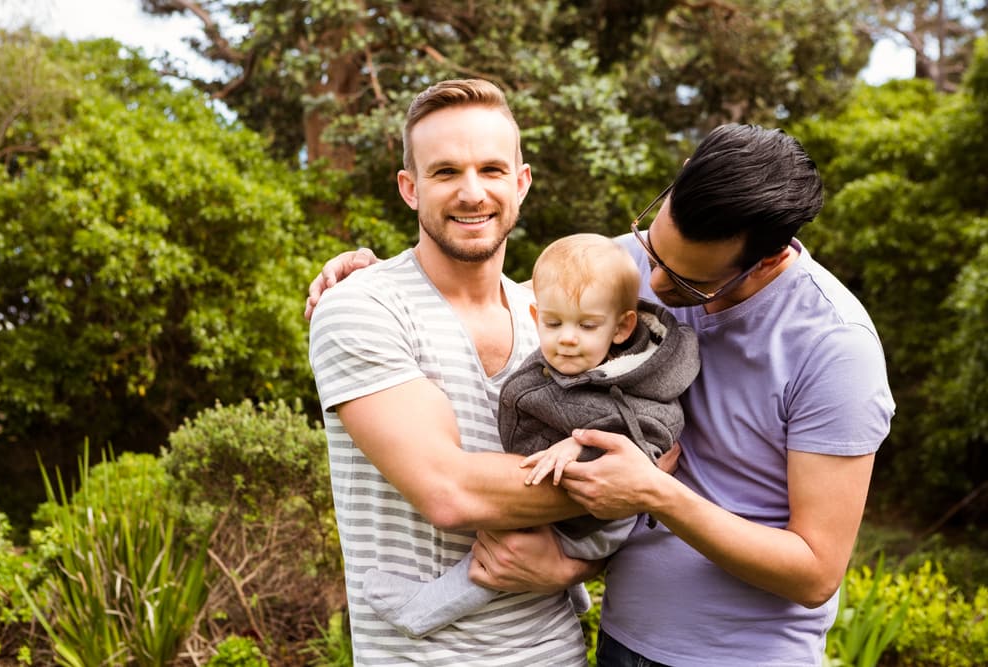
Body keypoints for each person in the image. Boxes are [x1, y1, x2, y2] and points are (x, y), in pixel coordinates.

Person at [306, 123, 895, 666]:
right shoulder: (629, 263)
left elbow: (816, 571)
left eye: (685, 280)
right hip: (619, 642)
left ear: (765, 261)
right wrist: (374, 279)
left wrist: (658, 494)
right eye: (652, 248)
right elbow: (524, 293)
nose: (653, 282)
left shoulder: (835, 347)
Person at [309, 78, 602, 665]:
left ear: (520, 183)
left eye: (492, 169)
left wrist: (575, 564)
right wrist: (634, 480)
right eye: (445, 173)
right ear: (410, 188)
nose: (473, 193)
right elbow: (448, 491)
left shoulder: (550, 319)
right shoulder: (362, 306)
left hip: (557, 655)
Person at [361, 233, 699, 639]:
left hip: (599, 524)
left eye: (587, 325)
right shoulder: (578, 349)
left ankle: (426, 608)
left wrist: (579, 443)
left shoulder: (640, 375)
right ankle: (572, 590)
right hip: (569, 509)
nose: (568, 337)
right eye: (553, 323)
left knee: (504, 545)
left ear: (622, 327)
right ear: (536, 315)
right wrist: (375, 269)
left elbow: (651, 434)